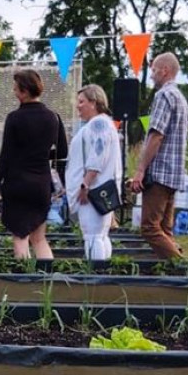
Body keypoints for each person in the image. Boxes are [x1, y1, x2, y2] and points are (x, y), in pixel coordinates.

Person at [0, 69, 67, 259]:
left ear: (24, 91)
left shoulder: (14, 118)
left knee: (20, 235)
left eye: (16, 89)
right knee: (39, 239)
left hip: (17, 183)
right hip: (41, 184)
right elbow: (63, 152)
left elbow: (5, 155)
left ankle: (25, 280)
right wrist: (41, 154)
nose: (14, 92)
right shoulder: (53, 117)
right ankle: (48, 280)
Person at [130, 52, 188, 259]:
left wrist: (140, 170)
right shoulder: (181, 99)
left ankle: (184, 271)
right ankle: (170, 275)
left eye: (154, 70)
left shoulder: (164, 95)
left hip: (161, 172)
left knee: (149, 228)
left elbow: (156, 135)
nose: (152, 75)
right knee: (165, 231)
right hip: (175, 173)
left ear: (165, 70)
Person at [65, 84, 123, 260]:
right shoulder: (102, 123)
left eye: (81, 102)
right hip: (97, 188)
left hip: (94, 190)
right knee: (100, 234)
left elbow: (97, 156)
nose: (78, 106)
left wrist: (85, 184)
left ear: (94, 102)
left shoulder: (98, 124)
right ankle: (102, 268)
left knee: (93, 235)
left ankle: (95, 274)